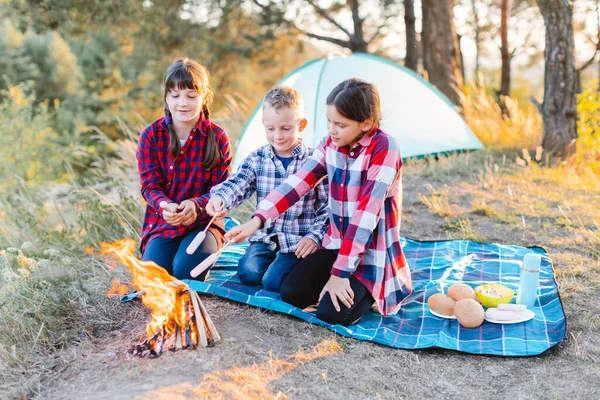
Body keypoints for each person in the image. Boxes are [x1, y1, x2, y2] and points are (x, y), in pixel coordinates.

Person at [225, 78, 412, 326]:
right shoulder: (330, 143)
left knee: (331, 315)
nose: (332, 130)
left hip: (370, 251)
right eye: (329, 121)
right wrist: (258, 220)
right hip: (336, 243)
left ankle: (371, 288)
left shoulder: (384, 148)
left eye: (340, 124)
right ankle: (340, 283)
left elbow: (366, 217)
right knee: (292, 293)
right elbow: (298, 182)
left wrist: (340, 273)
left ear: (366, 123)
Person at [206, 85, 329, 291]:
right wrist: (220, 198)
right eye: (271, 129)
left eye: (286, 128)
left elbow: (326, 207)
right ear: (263, 124)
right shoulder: (258, 158)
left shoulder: (313, 161)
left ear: (302, 124)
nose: (278, 136)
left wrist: (314, 236)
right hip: (265, 238)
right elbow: (239, 183)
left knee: (272, 281)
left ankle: (289, 268)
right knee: (248, 273)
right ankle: (274, 266)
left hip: (297, 241)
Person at [136, 57, 231, 280]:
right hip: (163, 222)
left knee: (186, 272)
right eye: (175, 95)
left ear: (204, 97)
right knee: (154, 278)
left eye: (191, 96)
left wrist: (196, 205)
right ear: (166, 97)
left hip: (203, 224)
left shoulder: (217, 138)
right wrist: (165, 206)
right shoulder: (151, 135)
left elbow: (222, 190)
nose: (183, 103)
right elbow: (149, 186)